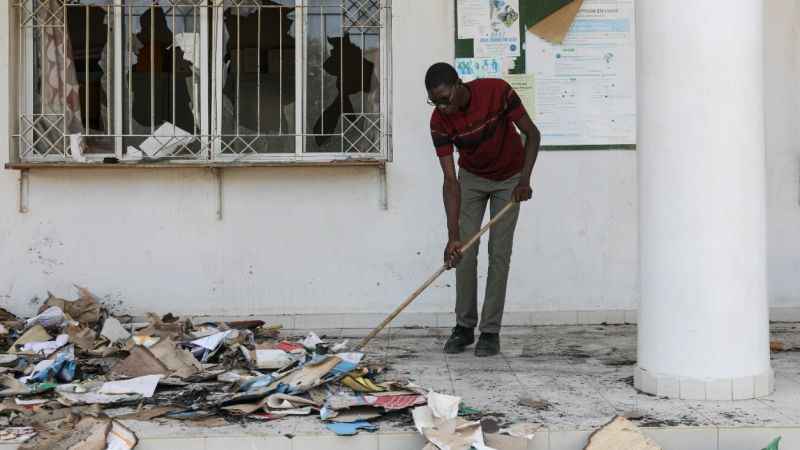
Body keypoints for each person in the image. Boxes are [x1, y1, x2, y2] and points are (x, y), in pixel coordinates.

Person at [426, 62, 540, 357]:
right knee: (463, 251)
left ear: (458, 84)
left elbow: (533, 134)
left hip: (509, 179)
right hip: (472, 179)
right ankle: (464, 328)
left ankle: (490, 332)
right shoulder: (439, 122)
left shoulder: (496, 91)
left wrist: (524, 180)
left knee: (498, 253)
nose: (442, 106)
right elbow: (450, 181)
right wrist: (453, 235)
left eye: (445, 98)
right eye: (435, 101)